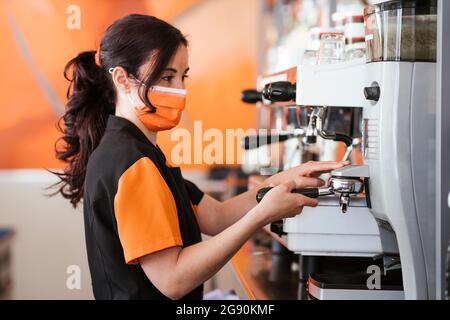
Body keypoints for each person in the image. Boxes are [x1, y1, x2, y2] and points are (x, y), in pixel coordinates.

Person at [52, 14, 348, 300]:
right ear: (123, 79)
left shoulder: (143, 152)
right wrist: (262, 214)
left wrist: (282, 180)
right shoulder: (131, 163)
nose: (180, 90)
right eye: (166, 77)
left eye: (183, 76)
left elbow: (217, 217)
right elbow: (173, 280)